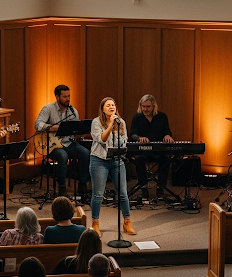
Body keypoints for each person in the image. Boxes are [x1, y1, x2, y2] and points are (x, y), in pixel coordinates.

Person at [89, 97, 135, 236]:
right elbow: (102, 139)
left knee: (123, 194)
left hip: (117, 160)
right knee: (98, 194)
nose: (111, 107)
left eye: (113, 105)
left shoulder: (121, 123)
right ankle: (95, 223)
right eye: (108, 105)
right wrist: (109, 125)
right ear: (102, 108)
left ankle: (127, 222)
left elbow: (124, 140)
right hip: (99, 160)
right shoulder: (96, 122)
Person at [35, 84, 90, 199]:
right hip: (52, 145)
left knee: (85, 153)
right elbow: (38, 125)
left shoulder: (73, 111)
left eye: (69, 96)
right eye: (65, 97)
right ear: (57, 97)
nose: (68, 99)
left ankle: (82, 185)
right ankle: (62, 187)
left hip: (68, 142)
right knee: (62, 155)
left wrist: (80, 131)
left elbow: (76, 129)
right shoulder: (48, 109)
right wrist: (57, 128)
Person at [130, 94, 174, 199]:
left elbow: (167, 132)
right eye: (143, 106)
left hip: (158, 151)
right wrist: (139, 138)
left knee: (165, 159)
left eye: (148, 106)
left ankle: (161, 189)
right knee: (139, 159)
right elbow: (132, 134)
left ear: (154, 106)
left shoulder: (162, 117)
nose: (145, 109)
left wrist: (167, 135)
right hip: (143, 151)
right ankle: (144, 189)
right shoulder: (137, 117)